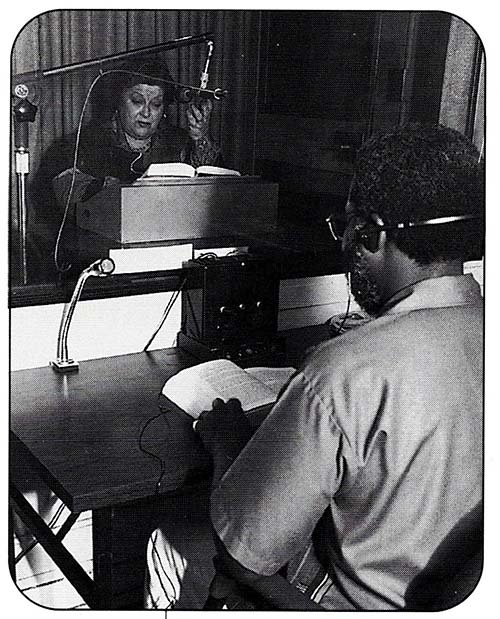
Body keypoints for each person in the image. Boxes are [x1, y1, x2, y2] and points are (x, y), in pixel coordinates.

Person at [145, 123, 484, 610]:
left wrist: (226, 444)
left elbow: (244, 556)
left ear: (370, 233)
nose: (344, 240)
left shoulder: (343, 372)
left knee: (169, 544)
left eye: (345, 225)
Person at [31, 58, 220, 276]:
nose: (147, 113)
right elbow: (65, 193)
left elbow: (214, 199)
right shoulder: (81, 144)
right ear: (118, 102)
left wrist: (200, 139)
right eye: (137, 101)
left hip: (173, 265)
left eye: (156, 104)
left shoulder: (179, 141)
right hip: (103, 267)